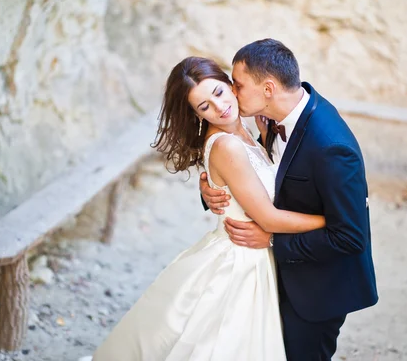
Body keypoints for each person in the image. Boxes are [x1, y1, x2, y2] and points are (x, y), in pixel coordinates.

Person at [91, 56, 327, 360]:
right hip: (242, 260)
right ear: (197, 115)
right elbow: (267, 216)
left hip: (253, 255)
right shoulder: (227, 145)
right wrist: (331, 221)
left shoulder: (248, 130)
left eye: (218, 93)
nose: (218, 107)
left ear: (230, 85)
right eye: (204, 107)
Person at [200, 38, 378, 360]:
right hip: (276, 277)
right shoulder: (271, 118)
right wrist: (213, 188)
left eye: (238, 85)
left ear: (268, 89)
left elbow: (350, 237)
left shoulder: (331, 148)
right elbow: (258, 173)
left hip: (318, 288)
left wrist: (271, 240)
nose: (232, 93)